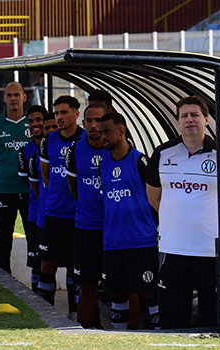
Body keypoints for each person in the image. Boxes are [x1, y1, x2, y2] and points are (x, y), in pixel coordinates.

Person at [146, 96, 220, 329]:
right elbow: (154, 198)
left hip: (211, 251)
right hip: (173, 250)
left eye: (194, 115)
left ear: (206, 119)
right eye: (184, 116)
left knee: (214, 318)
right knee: (172, 320)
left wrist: (219, 231)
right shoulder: (162, 154)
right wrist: (177, 222)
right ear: (178, 121)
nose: (189, 120)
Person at [98, 112, 160, 330]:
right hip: (113, 242)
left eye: (107, 132)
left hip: (141, 241)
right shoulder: (103, 163)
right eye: (101, 132)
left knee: (150, 293)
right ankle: (119, 338)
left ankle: (160, 336)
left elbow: (156, 199)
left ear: (121, 131)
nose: (103, 137)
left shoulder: (140, 161)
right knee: (116, 294)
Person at [36, 96, 86, 318]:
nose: (59, 117)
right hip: (54, 214)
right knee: (47, 265)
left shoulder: (85, 139)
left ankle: (75, 313)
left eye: (64, 112)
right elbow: (45, 176)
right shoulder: (48, 141)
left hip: (78, 215)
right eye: (56, 113)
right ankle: (44, 313)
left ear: (76, 114)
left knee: (75, 266)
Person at [64, 104, 109, 329]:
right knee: (87, 285)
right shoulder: (75, 150)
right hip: (86, 227)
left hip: (113, 229)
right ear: (83, 123)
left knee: (118, 287)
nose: (94, 125)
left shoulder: (117, 148)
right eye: (89, 121)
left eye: (98, 120)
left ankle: (125, 333)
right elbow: (73, 186)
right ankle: (88, 330)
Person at [0, 82, 32, 274]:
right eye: (9, 95)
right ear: (4, 98)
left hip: (30, 191)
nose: (13, 99)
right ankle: (4, 282)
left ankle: (38, 281)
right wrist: (4, 175)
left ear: (24, 97)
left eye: (16, 95)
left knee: (35, 238)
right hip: (4, 190)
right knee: (2, 242)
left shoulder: (33, 123)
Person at [17, 105, 48, 291]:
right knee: (36, 263)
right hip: (35, 214)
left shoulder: (57, 149)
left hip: (57, 214)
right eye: (31, 121)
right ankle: (37, 300)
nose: (35, 124)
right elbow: (29, 183)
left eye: (39, 120)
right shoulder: (25, 151)